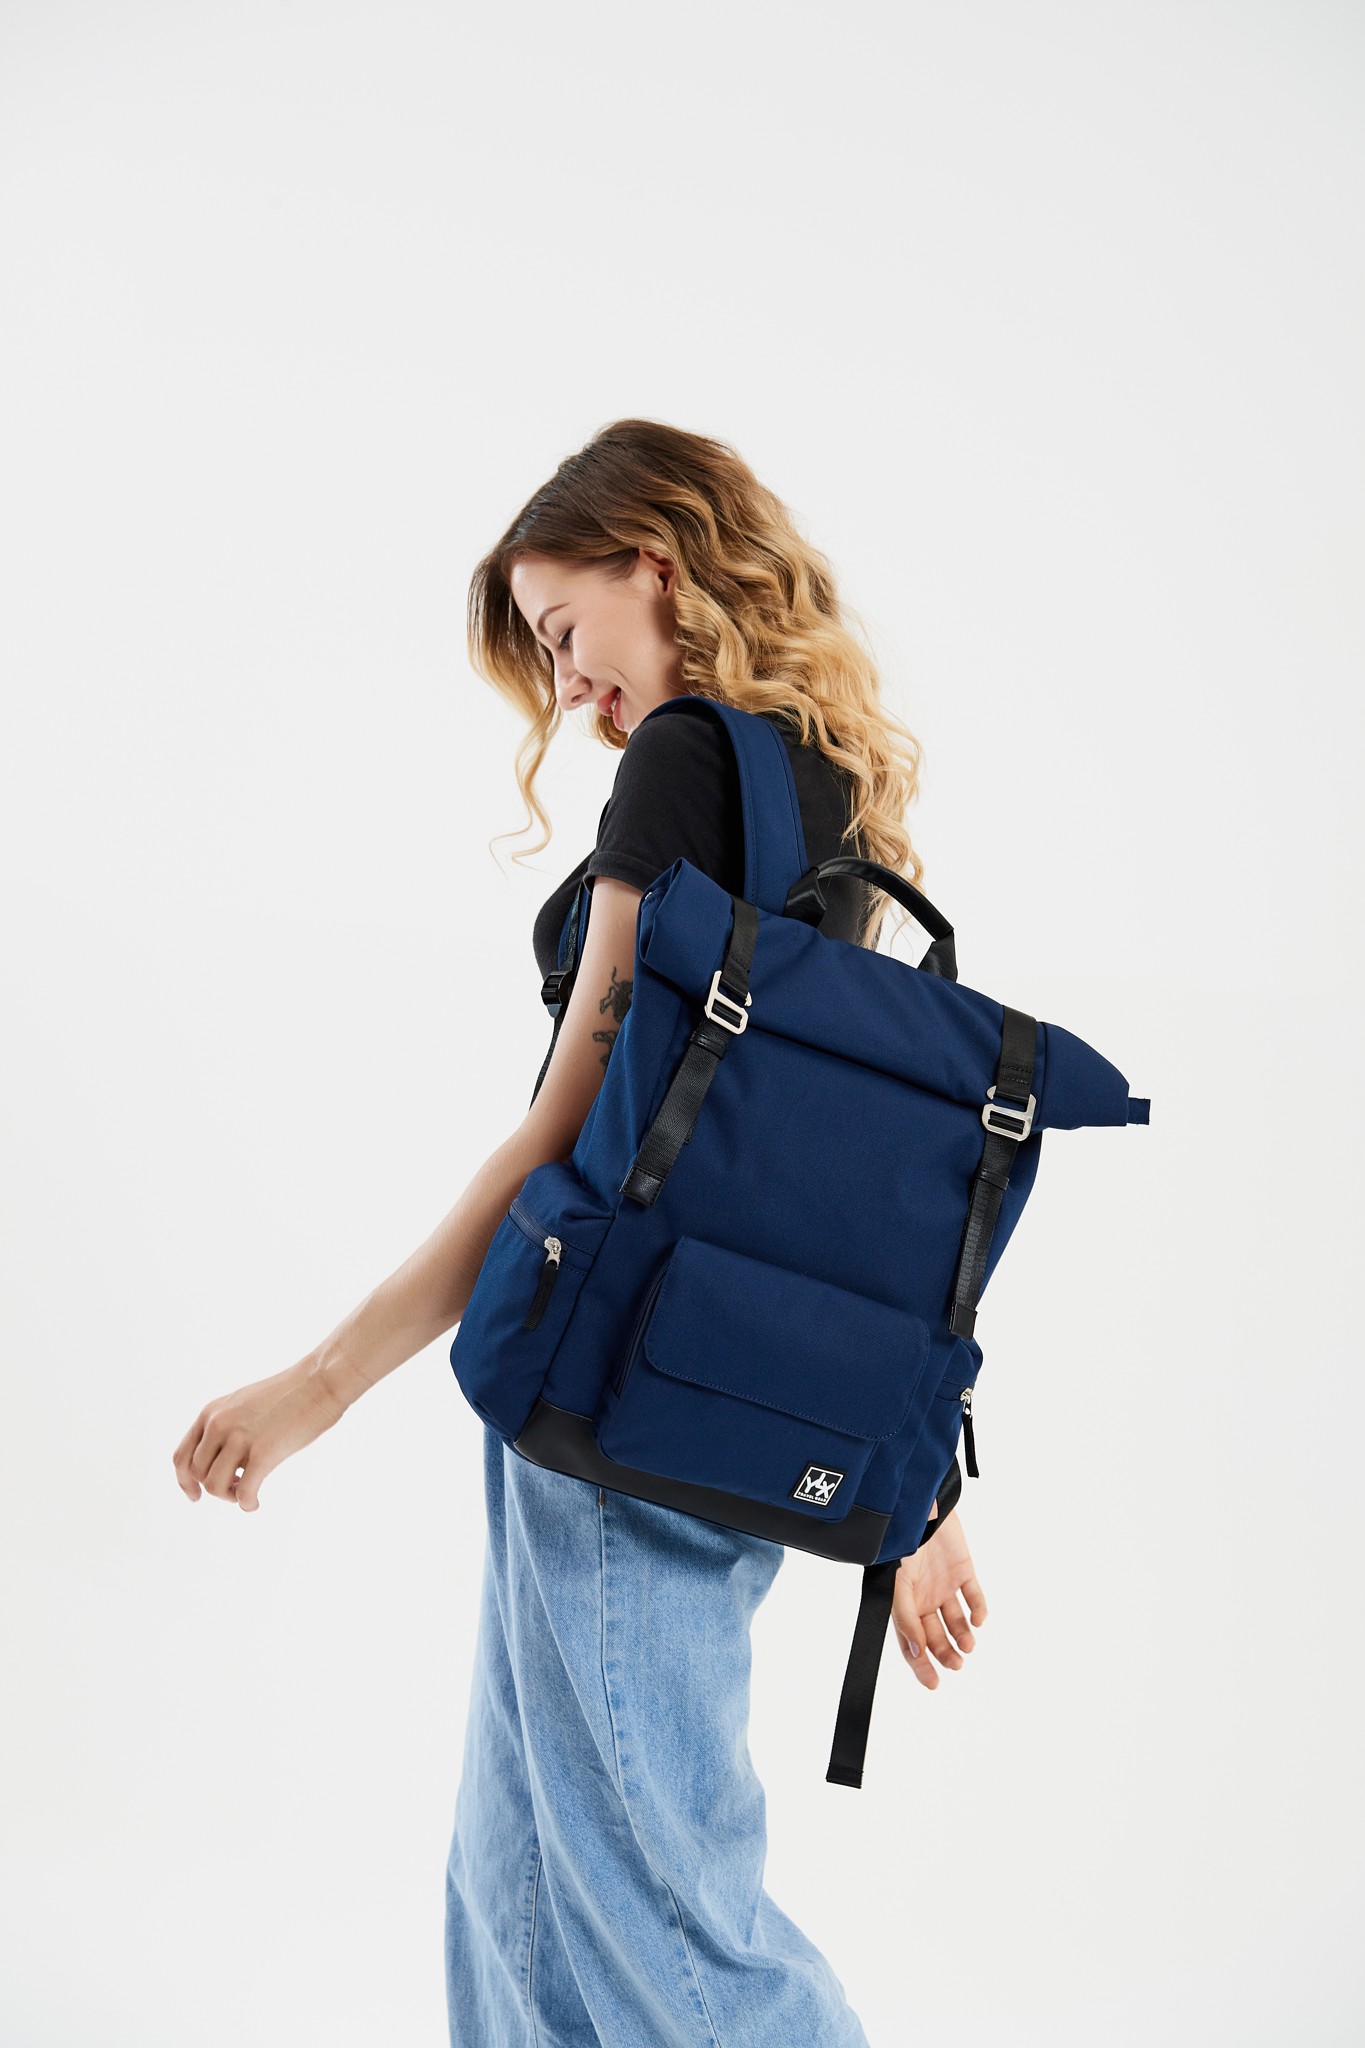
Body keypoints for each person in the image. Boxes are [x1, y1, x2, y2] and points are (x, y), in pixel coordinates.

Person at [171, 418, 989, 2046]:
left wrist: (317, 1388)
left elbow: (563, 1132)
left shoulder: (687, 756)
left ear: (656, 564)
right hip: (724, 1391)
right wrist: (923, 1480)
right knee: (526, 1888)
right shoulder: (831, 786)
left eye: (561, 632)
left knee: (653, 1912)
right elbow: (842, 1182)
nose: (566, 689)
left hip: (616, 1392)